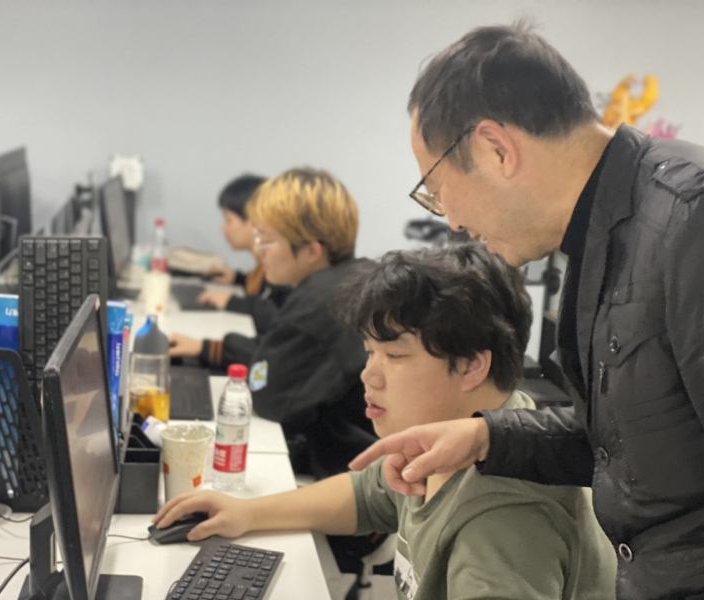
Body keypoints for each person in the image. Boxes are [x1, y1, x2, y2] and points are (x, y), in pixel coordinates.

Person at [349, 22, 704, 599]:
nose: (452, 221)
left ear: (496, 149)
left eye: (438, 191)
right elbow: (626, 439)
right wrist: (484, 437)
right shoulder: (600, 238)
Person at [154, 244, 617, 600]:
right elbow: (367, 494)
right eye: (369, 352)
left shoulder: (501, 524)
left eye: (394, 356)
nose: (368, 375)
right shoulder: (461, 429)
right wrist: (246, 513)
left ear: (472, 365)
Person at [169, 167, 376, 480]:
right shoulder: (352, 277)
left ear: (312, 251)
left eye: (266, 241)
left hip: (342, 471)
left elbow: (268, 396)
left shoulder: (319, 302)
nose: (258, 251)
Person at [197, 174, 290, 333]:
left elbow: (279, 319)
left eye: (228, 219)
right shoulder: (261, 269)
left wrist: (232, 301)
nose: (223, 228)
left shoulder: (282, 271)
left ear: (254, 221)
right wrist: (238, 279)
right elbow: (261, 290)